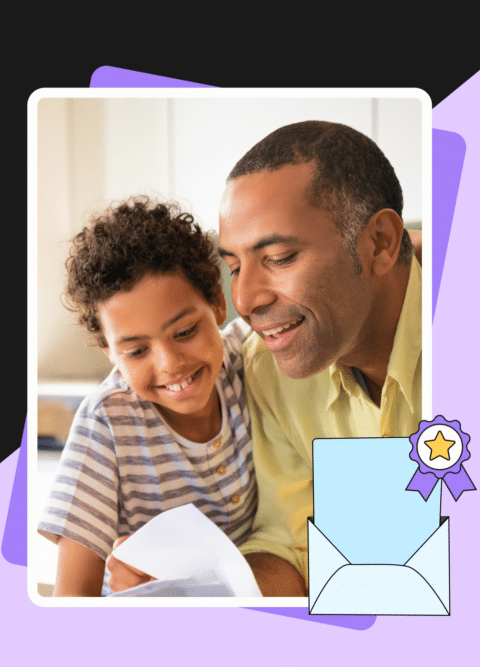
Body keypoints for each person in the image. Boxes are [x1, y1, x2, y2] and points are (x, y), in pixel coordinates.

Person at [216, 120, 423, 596]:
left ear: (380, 244)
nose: (244, 299)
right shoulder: (265, 366)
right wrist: (199, 592)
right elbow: (293, 548)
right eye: (234, 266)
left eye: (281, 257)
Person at [37, 196, 255, 596]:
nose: (170, 363)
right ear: (110, 354)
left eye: (186, 331)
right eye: (136, 351)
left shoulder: (250, 358)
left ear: (218, 305)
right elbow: (71, 599)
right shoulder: (107, 422)